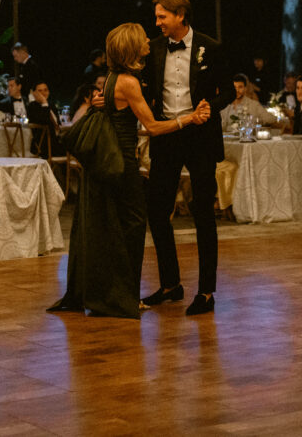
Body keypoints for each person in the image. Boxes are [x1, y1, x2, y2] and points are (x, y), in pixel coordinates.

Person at [49, 22, 210, 319]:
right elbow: (153, 126)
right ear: (132, 47)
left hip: (108, 163)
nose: (149, 42)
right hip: (122, 163)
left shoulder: (111, 78)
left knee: (109, 228)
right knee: (133, 228)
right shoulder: (128, 82)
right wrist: (190, 119)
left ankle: (107, 292)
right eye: (143, 41)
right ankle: (123, 297)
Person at [141, 0, 233, 316]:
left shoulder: (211, 46)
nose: (157, 22)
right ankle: (170, 285)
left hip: (200, 137)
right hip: (167, 135)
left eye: (162, 16)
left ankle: (206, 292)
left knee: (203, 213)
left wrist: (212, 105)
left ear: (180, 15)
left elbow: (230, 92)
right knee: (157, 210)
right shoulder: (152, 49)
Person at [27, 81, 62, 157]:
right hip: (44, 145)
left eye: (45, 90)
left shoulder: (51, 105)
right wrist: (44, 103)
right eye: (40, 91)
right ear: (34, 93)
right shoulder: (32, 107)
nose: (43, 93)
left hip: (56, 141)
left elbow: (58, 123)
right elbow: (44, 121)